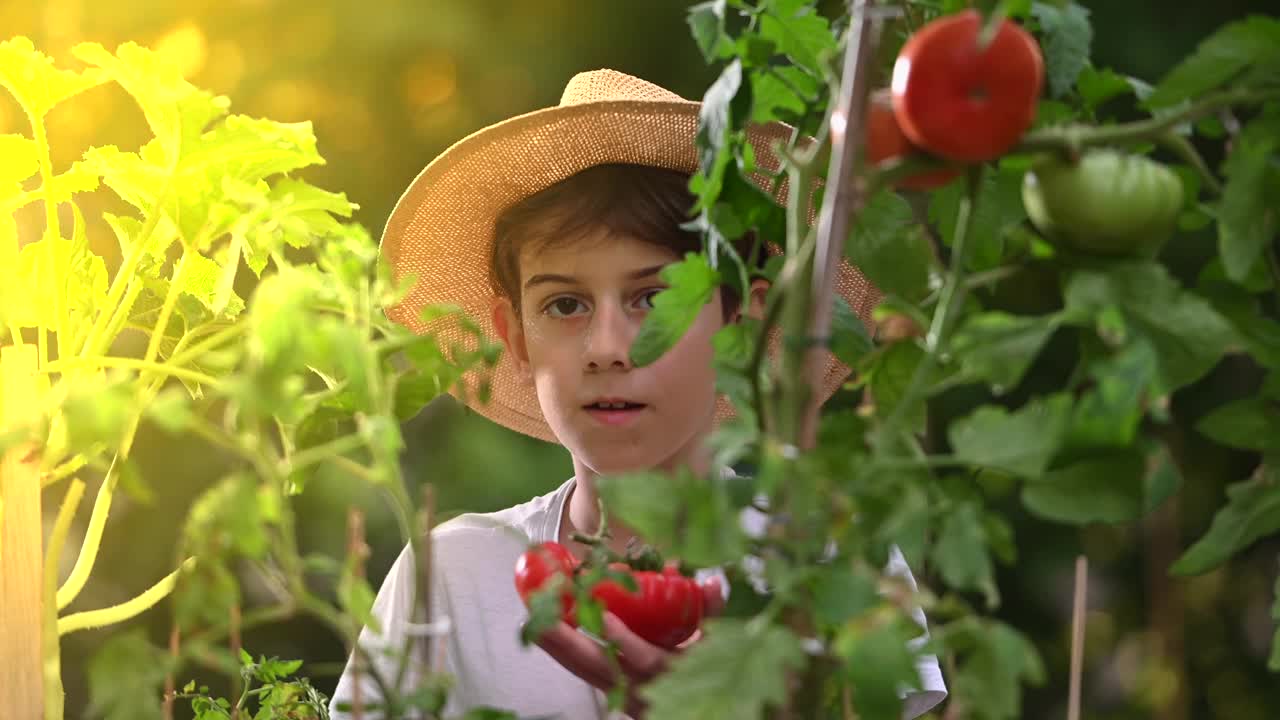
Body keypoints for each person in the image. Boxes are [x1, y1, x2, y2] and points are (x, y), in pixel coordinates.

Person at [329, 69, 947, 719]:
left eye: (654, 298)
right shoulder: (450, 576)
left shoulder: (823, 550)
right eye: (564, 303)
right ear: (515, 336)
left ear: (744, 324)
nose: (606, 346)